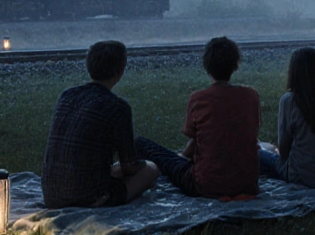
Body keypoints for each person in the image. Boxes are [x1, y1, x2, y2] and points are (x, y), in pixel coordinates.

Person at [135, 36, 261, 198]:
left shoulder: (199, 98)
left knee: (141, 144)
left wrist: (181, 157)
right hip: (247, 185)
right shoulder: (251, 96)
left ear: (206, 66)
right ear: (236, 65)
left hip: (205, 185)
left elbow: (196, 140)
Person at [41, 40, 160, 208]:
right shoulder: (118, 107)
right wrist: (143, 164)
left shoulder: (67, 96)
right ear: (120, 71)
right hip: (91, 196)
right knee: (151, 169)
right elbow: (129, 167)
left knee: (112, 168)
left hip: (52, 195)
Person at [258, 47, 315, 187]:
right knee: (268, 149)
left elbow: (284, 151)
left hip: (302, 177)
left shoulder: (289, 101)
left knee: (257, 153)